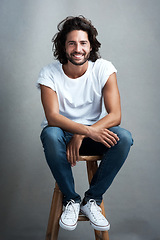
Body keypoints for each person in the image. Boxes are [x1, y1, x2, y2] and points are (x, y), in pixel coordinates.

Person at [37, 16, 133, 232]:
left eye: (83, 43)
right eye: (72, 43)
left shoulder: (104, 68)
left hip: (93, 135)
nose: (77, 49)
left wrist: (83, 134)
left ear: (91, 46)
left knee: (124, 138)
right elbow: (53, 117)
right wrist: (85, 130)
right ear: (64, 46)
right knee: (50, 134)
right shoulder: (49, 73)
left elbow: (115, 115)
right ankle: (70, 200)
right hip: (61, 138)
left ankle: (92, 200)